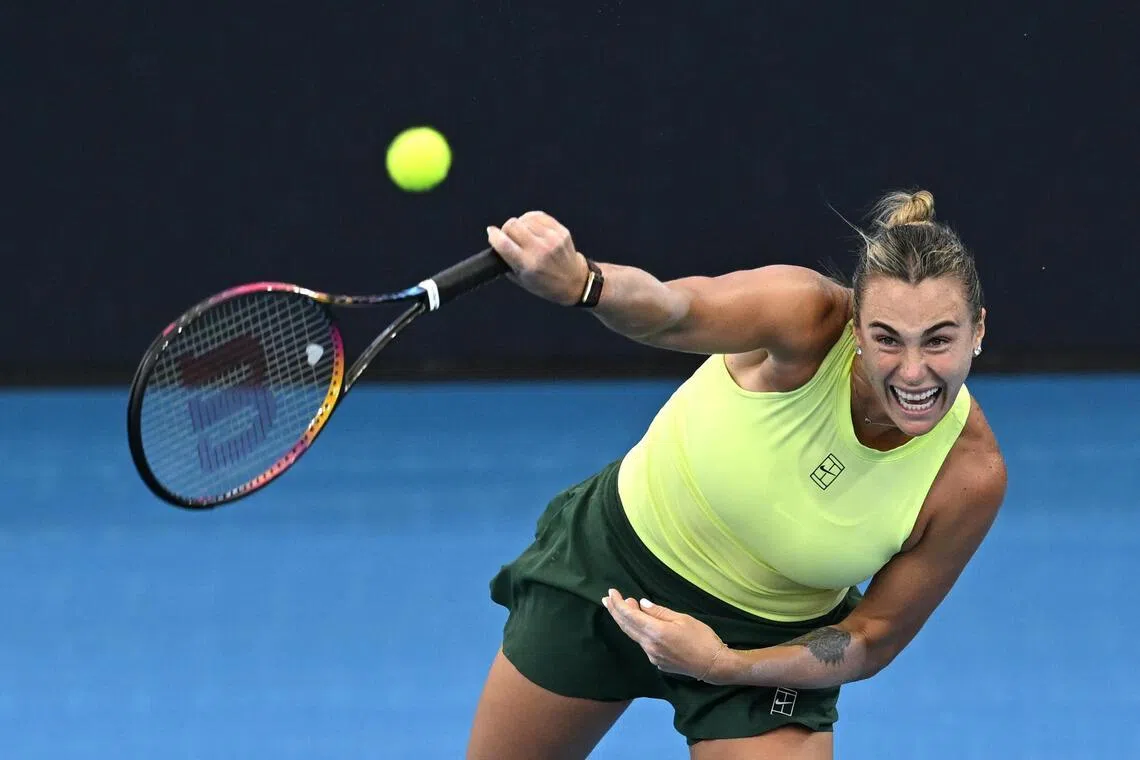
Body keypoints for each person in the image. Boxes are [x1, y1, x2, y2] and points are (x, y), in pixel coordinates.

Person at [467, 190, 1007, 760]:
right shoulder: (805, 317)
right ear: (856, 326)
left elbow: (873, 637)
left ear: (977, 330)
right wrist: (585, 282)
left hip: (770, 642)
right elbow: (676, 310)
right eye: (887, 338)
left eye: (939, 340)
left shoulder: (970, 475)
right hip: (608, 569)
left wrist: (724, 665)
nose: (914, 372)